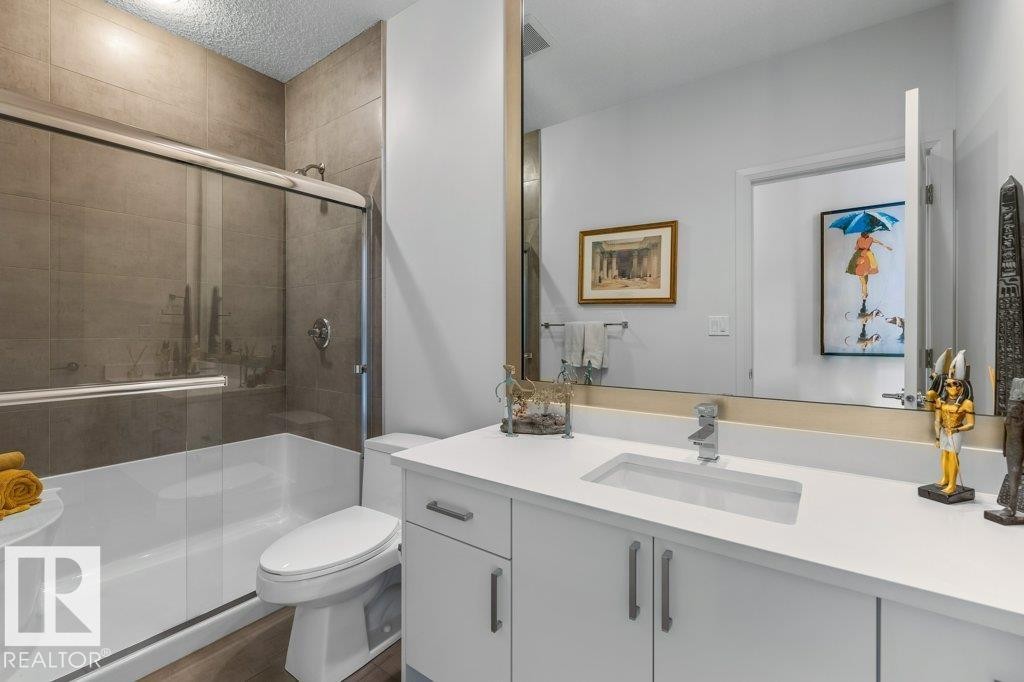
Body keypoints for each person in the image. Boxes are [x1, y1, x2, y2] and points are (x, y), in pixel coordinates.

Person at [845, 231, 893, 303]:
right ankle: (864, 294)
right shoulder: (870, 239)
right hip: (867, 257)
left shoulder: (859, 239)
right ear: (867, 234)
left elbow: (856, 248)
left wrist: (859, 246)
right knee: (864, 276)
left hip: (859, 256)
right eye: (869, 233)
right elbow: (879, 242)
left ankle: (864, 294)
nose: (869, 234)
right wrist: (886, 246)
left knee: (862, 277)